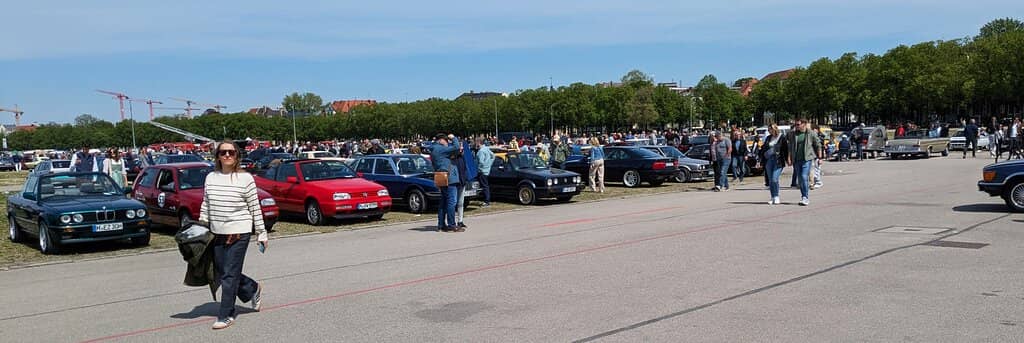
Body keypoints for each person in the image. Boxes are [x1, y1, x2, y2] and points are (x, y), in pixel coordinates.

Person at [198, 140, 268, 330]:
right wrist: (202, 223)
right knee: (222, 271)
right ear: (217, 156)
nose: (227, 155)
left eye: (231, 152)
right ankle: (252, 288)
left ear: (237, 155)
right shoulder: (211, 177)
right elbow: (206, 203)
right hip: (217, 232)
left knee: (229, 274)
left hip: (239, 231)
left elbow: (255, 207)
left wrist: (261, 233)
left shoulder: (245, 179)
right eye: (223, 153)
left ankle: (226, 314)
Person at [430, 134, 461, 232]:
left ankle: (441, 224)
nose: (447, 142)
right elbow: (456, 147)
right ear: (440, 140)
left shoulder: (434, 149)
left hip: (441, 177)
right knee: (452, 201)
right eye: (446, 140)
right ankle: (452, 224)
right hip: (449, 178)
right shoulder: (440, 149)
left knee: (443, 202)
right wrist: (453, 138)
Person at [787, 119, 822, 206]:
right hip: (796, 159)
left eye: (798, 124)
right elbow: (790, 147)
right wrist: (789, 158)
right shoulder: (793, 134)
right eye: (796, 125)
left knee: (803, 177)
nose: (797, 126)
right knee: (800, 179)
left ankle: (805, 197)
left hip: (807, 158)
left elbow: (818, 145)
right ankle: (803, 196)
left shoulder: (810, 133)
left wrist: (820, 157)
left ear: (804, 124)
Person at [759, 124, 788, 204]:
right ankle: (773, 197)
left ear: (774, 129)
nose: (769, 131)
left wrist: (788, 159)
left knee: (775, 179)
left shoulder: (782, 137)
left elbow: (786, 149)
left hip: (778, 160)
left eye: (770, 129)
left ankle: (776, 196)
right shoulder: (768, 138)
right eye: (768, 130)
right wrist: (762, 157)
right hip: (769, 160)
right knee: (770, 180)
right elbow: (764, 148)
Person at [474, 139, 494, 207]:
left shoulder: (481, 151)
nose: (475, 144)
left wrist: (479, 168)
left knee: (484, 186)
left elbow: (481, 162)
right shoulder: (486, 148)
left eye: (476, 143)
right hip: (487, 170)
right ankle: (486, 200)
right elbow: (493, 156)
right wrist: (489, 164)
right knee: (486, 186)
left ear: (479, 143)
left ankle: (486, 201)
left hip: (482, 171)